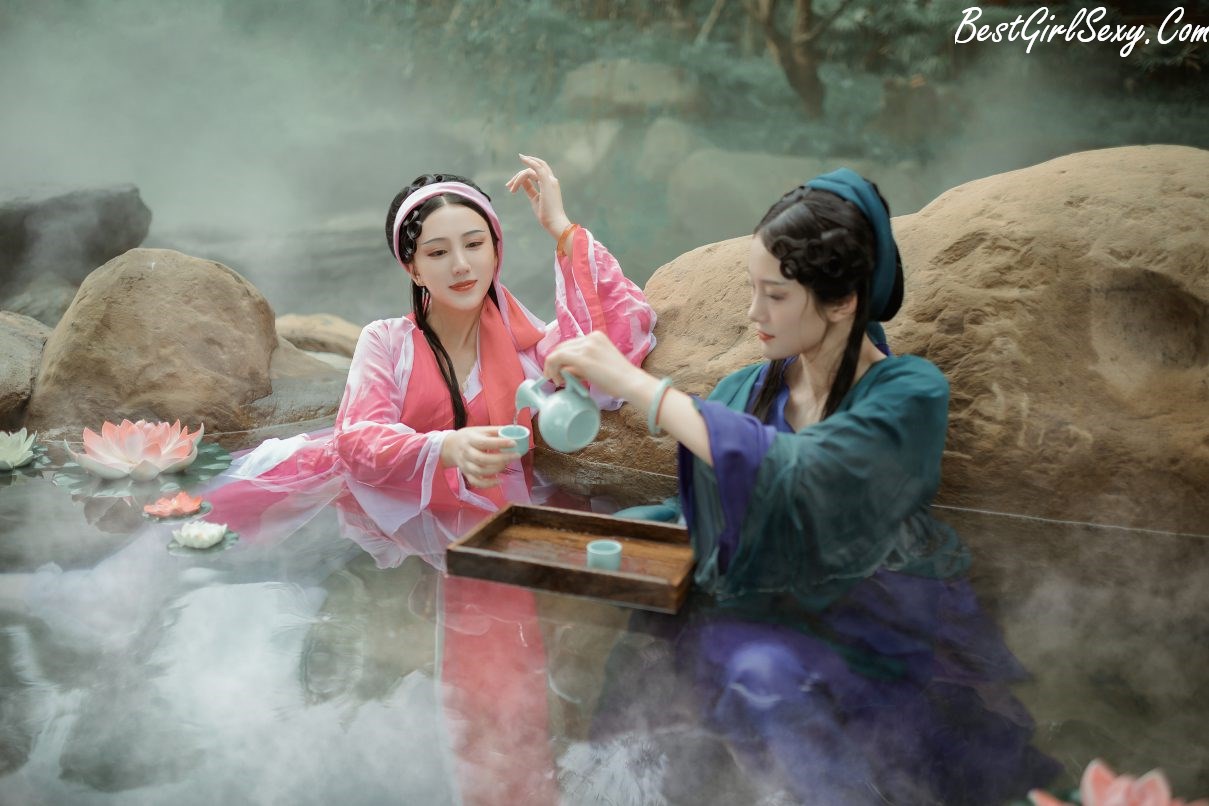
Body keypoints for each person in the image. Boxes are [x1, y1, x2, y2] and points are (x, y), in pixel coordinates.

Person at [543, 169, 1060, 804]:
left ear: (843, 302)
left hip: (874, 629)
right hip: (758, 617)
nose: (753, 313)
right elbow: (693, 509)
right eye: (752, 289)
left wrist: (640, 387)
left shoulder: (909, 395)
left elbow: (805, 473)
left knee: (763, 675)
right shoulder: (746, 390)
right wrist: (598, 548)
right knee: (709, 667)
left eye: (776, 295)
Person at [209, 154, 656, 540]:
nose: (461, 265)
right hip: (383, 513)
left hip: (490, 517)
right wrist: (445, 448)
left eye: (475, 245)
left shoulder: (531, 349)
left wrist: (561, 228)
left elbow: (617, 337)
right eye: (438, 253)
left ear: (496, 252)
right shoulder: (386, 342)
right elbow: (357, 441)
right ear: (414, 269)